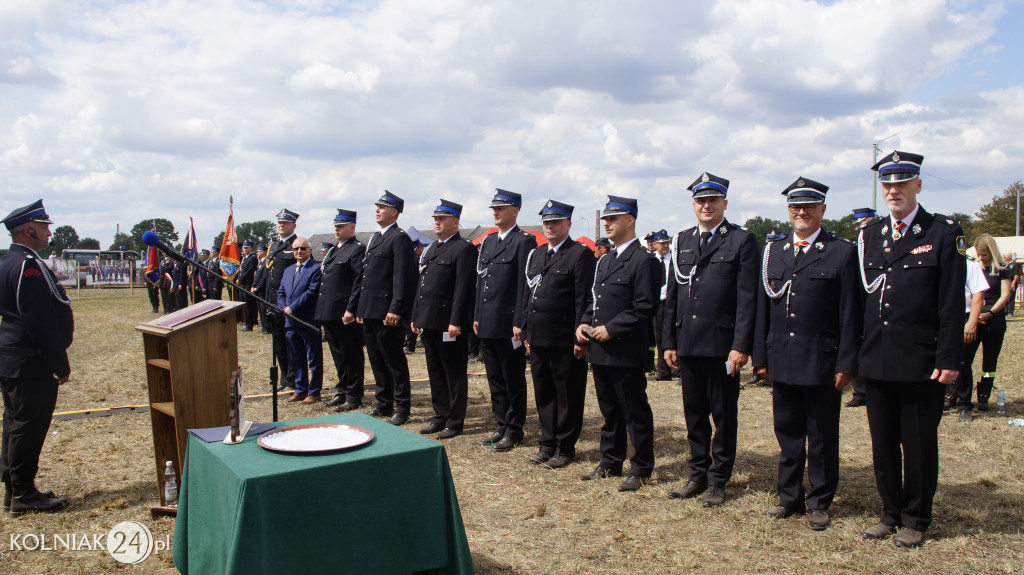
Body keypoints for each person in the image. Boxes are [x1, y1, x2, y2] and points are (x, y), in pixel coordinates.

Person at [858, 150, 966, 548]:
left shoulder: (942, 233)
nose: (893, 190)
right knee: (882, 444)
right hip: (878, 358)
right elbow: (861, 303)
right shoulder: (869, 236)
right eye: (887, 183)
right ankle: (889, 512)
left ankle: (916, 518)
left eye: (902, 182)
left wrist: (950, 357)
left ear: (918, 184)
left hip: (921, 361)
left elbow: (952, 303)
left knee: (918, 445)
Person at [752, 177, 862, 530]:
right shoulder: (775, 250)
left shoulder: (841, 251)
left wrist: (847, 363)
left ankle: (819, 501)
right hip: (781, 358)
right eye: (796, 207)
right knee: (787, 435)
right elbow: (762, 310)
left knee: (822, 437)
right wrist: (761, 358)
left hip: (822, 362)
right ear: (788, 212)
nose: (802, 212)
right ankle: (789, 498)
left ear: (822, 211)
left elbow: (850, 314)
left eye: (809, 207)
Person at [663, 172, 759, 507]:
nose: (707, 206)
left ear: (724, 204)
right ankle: (697, 474)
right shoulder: (683, 240)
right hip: (688, 343)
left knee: (723, 414)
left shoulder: (741, 240)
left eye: (713, 200)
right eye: (701, 201)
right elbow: (672, 295)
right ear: (693, 206)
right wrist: (668, 342)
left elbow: (748, 298)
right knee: (694, 415)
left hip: (721, 346)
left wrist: (740, 345)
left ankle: (719, 480)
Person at [577, 196, 661, 492]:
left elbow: (645, 306)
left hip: (625, 348)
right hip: (600, 349)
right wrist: (584, 322)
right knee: (609, 410)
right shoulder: (605, 260)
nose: (607, 224)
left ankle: (641, 467)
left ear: (631, 220)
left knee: (634, 411)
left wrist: (611, 329)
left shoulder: (644, 260)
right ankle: (610, 461)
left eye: (613, 219)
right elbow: (595, 300)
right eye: (605, 220)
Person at [1, 200, 72, 516]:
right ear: (27, 230)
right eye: (43, 226)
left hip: (14, 359)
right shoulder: (28, 265)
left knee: (15, 425)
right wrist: (58, 363)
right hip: (30, 361)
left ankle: (14, 488)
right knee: (28, 427)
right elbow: (38, 320)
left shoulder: (8, 261)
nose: (48, 231)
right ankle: (24, 493)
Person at [522, 200, 595, 469]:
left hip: (565, 339)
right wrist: (526, 330)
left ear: (568, 224)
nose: (550, 226)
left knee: (567, 395)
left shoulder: (580, 254)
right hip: (539, 338)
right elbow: (530, 296)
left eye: (556, 222)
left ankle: (565, 447)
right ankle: (547, 442)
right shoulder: (538, 254)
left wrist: (580, 338)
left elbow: (583, 299)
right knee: (544, 393)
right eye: (546, 222)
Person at [475, 189, 537, 452]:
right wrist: (477, 314)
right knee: (495, 378)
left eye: (502, 208)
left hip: (508, 322)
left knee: (512, 378)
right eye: (494, 208)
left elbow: (526, 285)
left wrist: (520, 321)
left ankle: (514, 429)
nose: (496, 212)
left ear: (516, 211)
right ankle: (501, 424)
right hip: (488, 321)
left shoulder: (524, 241)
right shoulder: (489, 242)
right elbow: (482, 281)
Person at [347, 191, 417, 425]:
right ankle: (384, 402)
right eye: (377, 207)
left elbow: (402, 277)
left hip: (387, 310)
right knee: (377, 359)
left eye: (383, 207)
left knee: (393, 360)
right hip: (370, 309)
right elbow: (365, 276)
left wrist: (396, 308)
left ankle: (402, 407)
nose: (377, 210)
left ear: (394, 212)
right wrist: (359, 308)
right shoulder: (376, 238)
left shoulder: (399, 238)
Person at [410, 200, 477, 438]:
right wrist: (416, 315)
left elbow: (463, 288)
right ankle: (440, 415)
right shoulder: (431, 249)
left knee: (454, 373)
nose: (437, 222)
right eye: (435, 218)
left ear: (455, 222)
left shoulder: (464, 248)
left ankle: (454, 421)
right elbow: (422, 285)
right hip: (429, 320)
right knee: (435, 371)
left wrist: (457, 320)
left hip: (449, 323)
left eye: (442, 219)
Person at [955, 234, 1013, 415]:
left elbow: (1005, 295)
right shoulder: (971, 266)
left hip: (993, 318)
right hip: (973, 316)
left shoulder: (1002, 268)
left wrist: (990, 313)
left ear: (992, 252)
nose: (980, 258)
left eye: (984, 255)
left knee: (989, 362)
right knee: (964, 360)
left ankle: (984, 395)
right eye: (978, 254)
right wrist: (975, 315)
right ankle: (962, 399)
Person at [315, 210, 366, 411]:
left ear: (352, 228)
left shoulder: (356, 249)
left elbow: (358, 281)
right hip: (329, 311)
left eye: (341, 226)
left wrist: (351, 309)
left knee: (351, 354)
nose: (337, 229)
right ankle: (342, 390)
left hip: (344, 312)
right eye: (335, 226)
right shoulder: (335, 250)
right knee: (338, 354)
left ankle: (354, 396)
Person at [277, 237, 323, 403]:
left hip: (307, 321)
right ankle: (300, 389)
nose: (299, 252)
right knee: (296, 357)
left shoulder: (316, 268)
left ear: (310, 250)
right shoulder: (289, 270)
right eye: (296, 249)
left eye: (303, 248)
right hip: (290, 322)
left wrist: (292, 308)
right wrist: (283, 308)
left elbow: (311, 293)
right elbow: (281, 292)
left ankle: (314, 392)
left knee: (313, 359)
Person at [947, 254, 990, 420]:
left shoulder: (969, 263)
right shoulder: (933, 259)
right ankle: (947, 396)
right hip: (938, 317)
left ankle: (964, 405)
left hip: (962, 316)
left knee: (962, 362)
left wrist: (972, 322)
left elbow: (978, 294)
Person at [268, 210, 299, 390]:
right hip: (273, 301)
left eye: (286, 223)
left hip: (288, 302)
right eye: (280, 223)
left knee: (290, 344)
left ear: (293, 226)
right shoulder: (273, 246)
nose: (281, 225)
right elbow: (269, 276)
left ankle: (293, 379)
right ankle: (284, 379)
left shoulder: (297, 245)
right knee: (278, 342)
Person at [650, 229, 674, 381]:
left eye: (666, 242)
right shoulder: (651, 260)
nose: (665, 245)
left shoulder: (675, 259)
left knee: (675, 336)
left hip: (672, 302)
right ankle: (664, 372)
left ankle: (679, 371)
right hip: (657, 303)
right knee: (658, 337)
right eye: (661, 243)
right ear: (654, 245)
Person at [238, 240, 259, 331]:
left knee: (250, 306)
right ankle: (247, 321)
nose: (245, 249)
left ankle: (249, 324)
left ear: (251, 248)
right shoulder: (245, 258)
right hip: (243, 284)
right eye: (244, 248)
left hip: (248, 284)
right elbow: (241, 271)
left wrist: (241, 280)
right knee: (245, 305)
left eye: (247, 248)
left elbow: (249, 271)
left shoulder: (253, 258)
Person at [252, 244, 270, 333]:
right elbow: (257, 276)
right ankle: (263, 327)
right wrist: (253, 286)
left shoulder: (266, 262)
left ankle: (267, 327)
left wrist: (257, 288)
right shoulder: (260, 262)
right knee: (260, 309)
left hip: (262, 290)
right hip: (257, 289)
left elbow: (264, 277)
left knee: (263, 309)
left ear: (262, 252)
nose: (257, 253)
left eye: (258, 251)